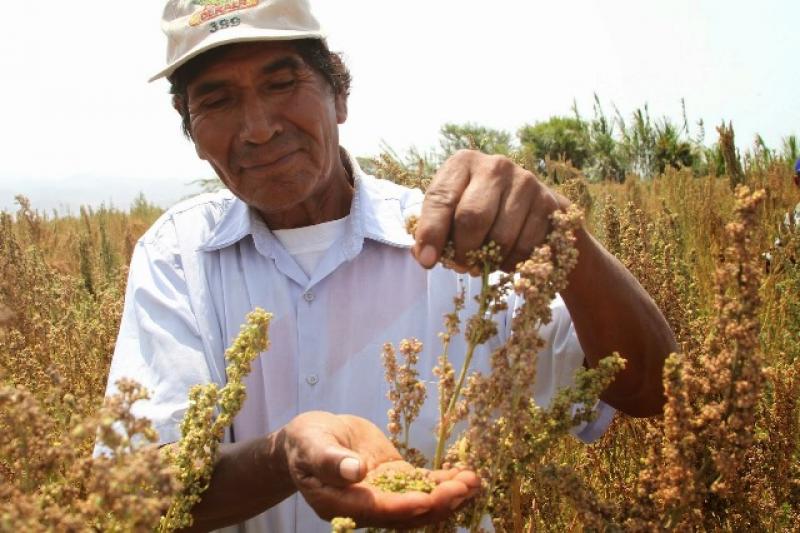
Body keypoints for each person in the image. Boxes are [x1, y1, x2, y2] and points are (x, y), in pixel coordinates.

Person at [103, 0, 676, 531]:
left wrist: (563, 236)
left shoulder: (460, 238)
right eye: (218, 100)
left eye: (282, 82)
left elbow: (651, 389)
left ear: (339, 93)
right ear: (191, 128)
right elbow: (134, 493)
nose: (258, 128)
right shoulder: (177, 255)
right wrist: (282, 457)